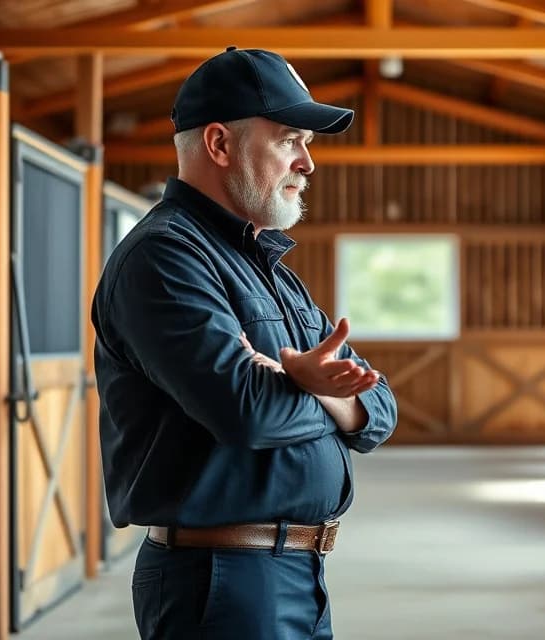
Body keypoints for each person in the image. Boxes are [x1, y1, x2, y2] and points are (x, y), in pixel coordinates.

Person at [92, 47, 398, 639]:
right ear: (219, 144)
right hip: (220, 581)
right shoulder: (165, 257)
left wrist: (306, 385)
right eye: (289, 140)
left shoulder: (267, 265)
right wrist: (318, 394)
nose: (307, 162)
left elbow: (379, 411)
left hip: (295, 574)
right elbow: (247, 412)